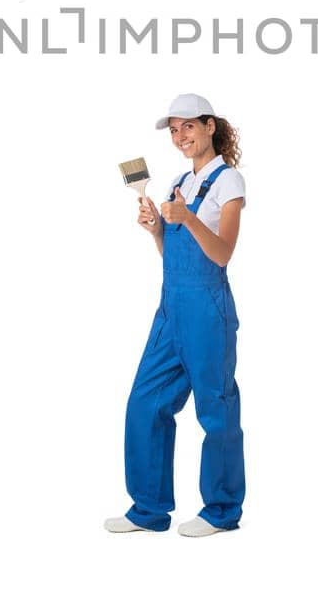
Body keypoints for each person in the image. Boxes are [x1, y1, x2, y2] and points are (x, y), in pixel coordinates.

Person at [105, 94, 246, 536]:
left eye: (188, 127)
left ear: (209, 126)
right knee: (145, 402)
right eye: (174, 130)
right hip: (170, 308)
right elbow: (171, 252)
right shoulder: (177, 182)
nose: (180, 136)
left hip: (207, 308)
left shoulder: (230, 181)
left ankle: (221, 512)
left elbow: (221, 254)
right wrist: (156, 229)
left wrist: (186, 218)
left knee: (215, 409)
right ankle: (148, 508)